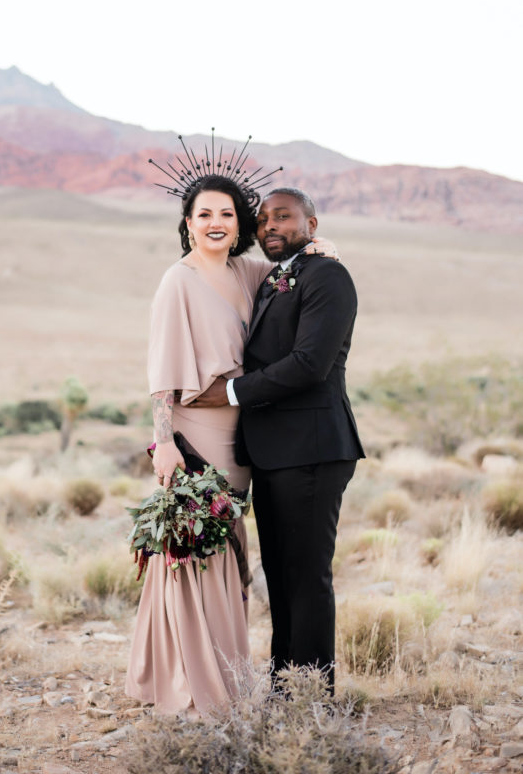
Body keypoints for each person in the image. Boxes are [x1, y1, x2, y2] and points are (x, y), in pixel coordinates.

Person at [125, 169, 338, 715]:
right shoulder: (180, 279)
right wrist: (163, 441)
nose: (216, 224)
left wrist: (320, 243)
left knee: (227, 555)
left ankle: (227, 677)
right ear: (188, 224)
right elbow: (161, 368)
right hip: (195, 431)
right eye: (204, 215)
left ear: (238, 222)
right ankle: (191, 685)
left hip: (243, 436)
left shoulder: (251, 272)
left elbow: (297, 262)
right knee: (194, 550)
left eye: (226, 214)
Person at [192, 187, 365, 692]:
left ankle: (313, 697)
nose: (271, 225)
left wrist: (228, 392)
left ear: (312, 225)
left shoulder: (328, 276)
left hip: (312, 449)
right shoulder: (273, 278)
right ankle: (286, 686)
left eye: (284, 217)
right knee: (283, 577)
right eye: (264, 218)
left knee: (307, 577)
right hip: (273, 453)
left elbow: (311, 365)